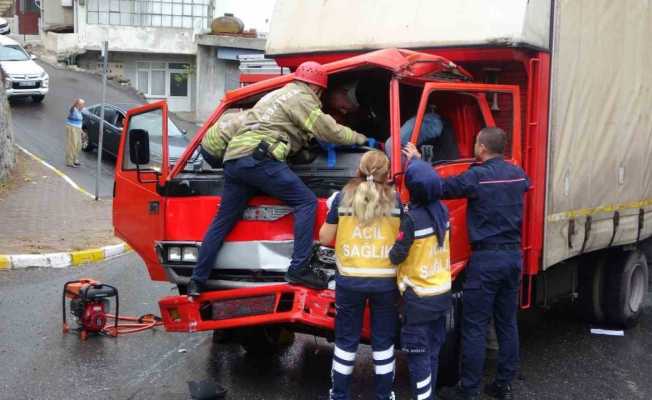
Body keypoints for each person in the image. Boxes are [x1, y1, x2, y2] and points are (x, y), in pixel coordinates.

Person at [187, 61, 368, 295]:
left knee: (222, 222)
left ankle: (197, 280)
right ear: (317, 89)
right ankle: (299, 268)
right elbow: (330, 131)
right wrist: (362, 139)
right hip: (261, 160)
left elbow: (280, 131)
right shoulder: (303, 98)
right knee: (306, 202)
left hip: (235, 159)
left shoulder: (275, 95)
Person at [405, 127, 529, 400]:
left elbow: (438, 187)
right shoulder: (518, 174)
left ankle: (469, 389)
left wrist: (416, 162)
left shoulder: (477, 177)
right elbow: (524, 186)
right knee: (507, 322)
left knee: (475, 325)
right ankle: (503, 384)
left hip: (486, 259)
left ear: (482, 148)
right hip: (513, 257)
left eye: (475, 143)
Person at [319, 150, 401, 400]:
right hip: (385, 282)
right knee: (383, 343)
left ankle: (339, 395)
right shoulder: (396, 200)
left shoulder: (342, 198)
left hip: (350, 280)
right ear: (387, 173)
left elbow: (325, 238)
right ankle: (384, 395)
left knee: (346, 342)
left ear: (359, 168)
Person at [388, 158, 452, 400]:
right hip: (441, 294)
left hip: (418, 300)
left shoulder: (411, 220)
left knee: (418, 358)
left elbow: (396, 256)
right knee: (432, 353)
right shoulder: (442, 212)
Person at [65, 98, 85, 167]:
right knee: (72, 145)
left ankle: (75, 159)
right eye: (82, 104)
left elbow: (79, 122)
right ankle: (69, 162)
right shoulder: (73, 110)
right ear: (78, 104)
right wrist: (75, 104)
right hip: (72, 128)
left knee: (78, 145)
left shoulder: (79, 111)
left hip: (78, 128)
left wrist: (81, 131)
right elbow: (71, 108)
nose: (83, 106)